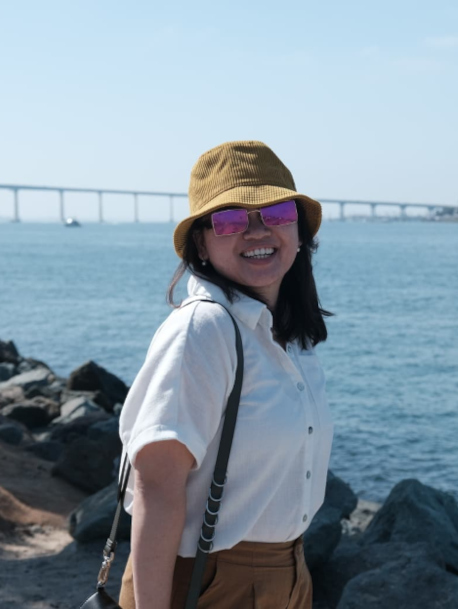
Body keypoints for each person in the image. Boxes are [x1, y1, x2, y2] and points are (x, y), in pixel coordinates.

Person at [118, 140, 334, 609]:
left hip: (289, 574)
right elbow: (157, 487)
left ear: (298, 229)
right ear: (201, 242)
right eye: (230, 220)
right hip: (210, 581)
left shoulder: (286, 335)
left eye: (276, 213)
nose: (257, 231)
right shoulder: (204, 330)